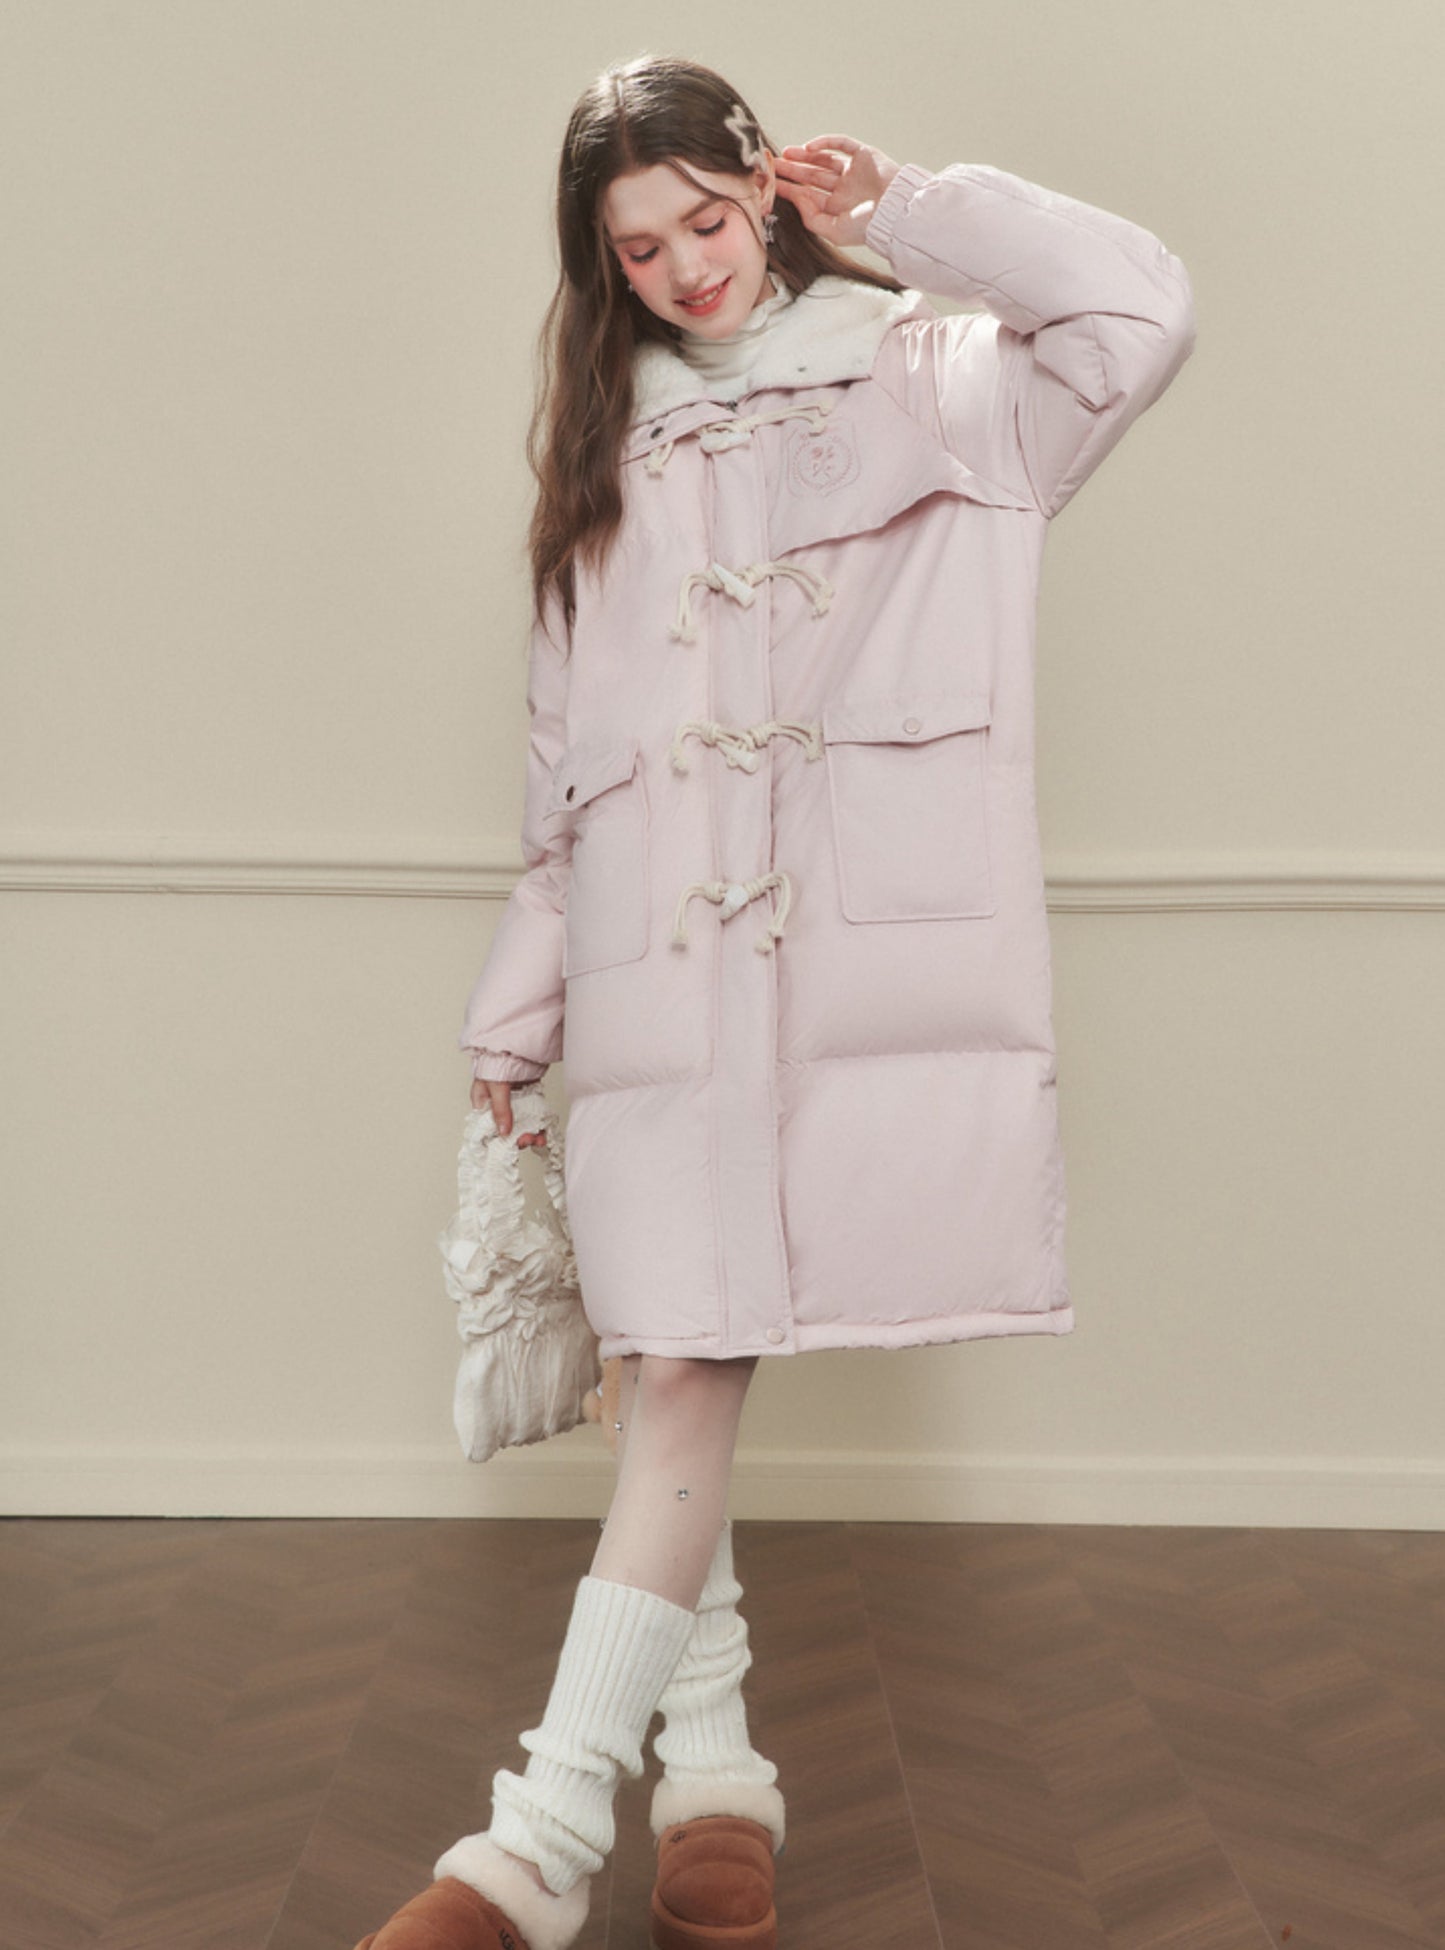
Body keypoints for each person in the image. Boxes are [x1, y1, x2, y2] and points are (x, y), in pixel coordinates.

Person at [357, 49, 1194, 1950]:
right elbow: (561, 789)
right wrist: (510, 1025)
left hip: (842, 973)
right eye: (635, 248)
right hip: (654, 982)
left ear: (763, 184)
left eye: (704, 218)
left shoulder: (948, 389)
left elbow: (1142, 311)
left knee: (684, 1367)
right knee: (671, 1357)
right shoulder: (606, 463)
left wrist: (907, 210)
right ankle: (714, 1770)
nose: (682, 267)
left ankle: (537, 1841)